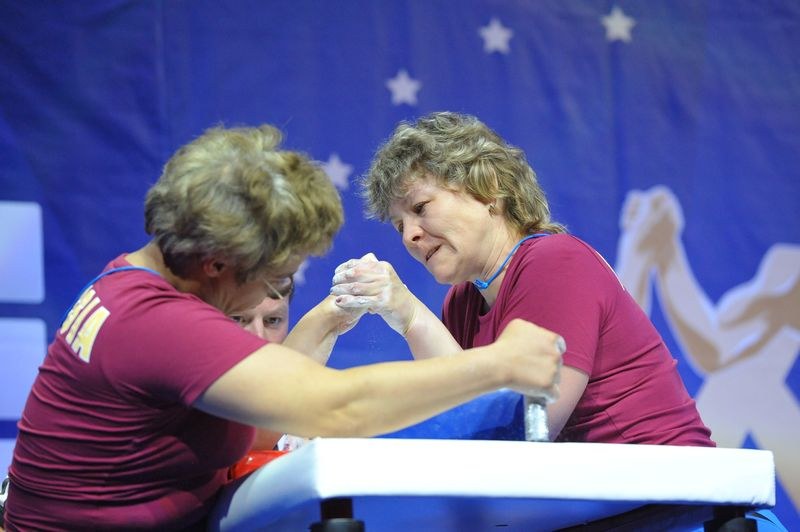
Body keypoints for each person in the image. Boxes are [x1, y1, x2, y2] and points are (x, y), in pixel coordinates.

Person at [4, 123, 563, 531]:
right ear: (217, 264)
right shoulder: (158, 322)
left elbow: (260, 419)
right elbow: (336, 407)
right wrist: (497, 364)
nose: (276, 294)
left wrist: (332, 315)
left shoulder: (128, 279)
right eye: (275, 277)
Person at [331, 111, 714, 446]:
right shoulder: (462, 303)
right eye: (399, 225)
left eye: (420, 208)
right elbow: (460, 424)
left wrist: (412, 315)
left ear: (487, 189)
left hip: (678, 497)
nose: (409, 236)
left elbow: (524, 433)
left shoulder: (556, 261)